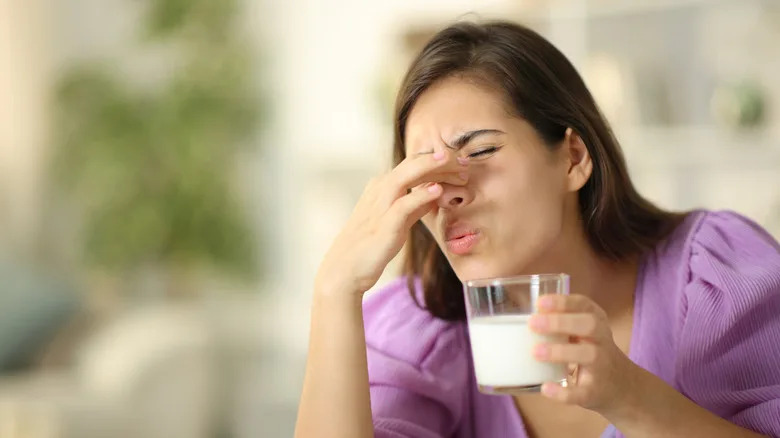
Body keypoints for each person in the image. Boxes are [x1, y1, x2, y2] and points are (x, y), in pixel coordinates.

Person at [294, 20, 780, 438]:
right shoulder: (420, 330)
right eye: (423, 171)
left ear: (573, 158)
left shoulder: (717, 278)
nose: (448, 193)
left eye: (480, 152)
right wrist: (334, 289)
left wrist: (629, 395)